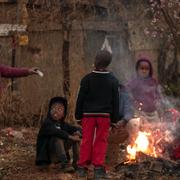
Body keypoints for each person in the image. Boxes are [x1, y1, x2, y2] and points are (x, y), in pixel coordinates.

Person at [75, 50, 119, 179]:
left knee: (86, 140)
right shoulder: (113, 80)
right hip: (104, 116)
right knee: (101, 140)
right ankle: (98, 169)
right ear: (109, 63)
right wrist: (114, 120)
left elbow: (80, 98)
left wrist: (78, 116)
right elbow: (116, 101)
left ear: (95, 61)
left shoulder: (86, 79)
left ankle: (82, 167)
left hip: (87, 115)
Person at [36, 96, 81, 172]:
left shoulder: (63, 124)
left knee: (75, 137)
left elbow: (75, 128)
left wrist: (78, 132)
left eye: (59, 109)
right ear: (49, 111)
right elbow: (56, 132)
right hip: (48, 156)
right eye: (53, 108)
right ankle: (64, 163)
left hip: (58, 154)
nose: (55, 111)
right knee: (58, 137)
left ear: (63, 114)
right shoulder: (47, 123)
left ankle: (76, 162)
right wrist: (69, 136)